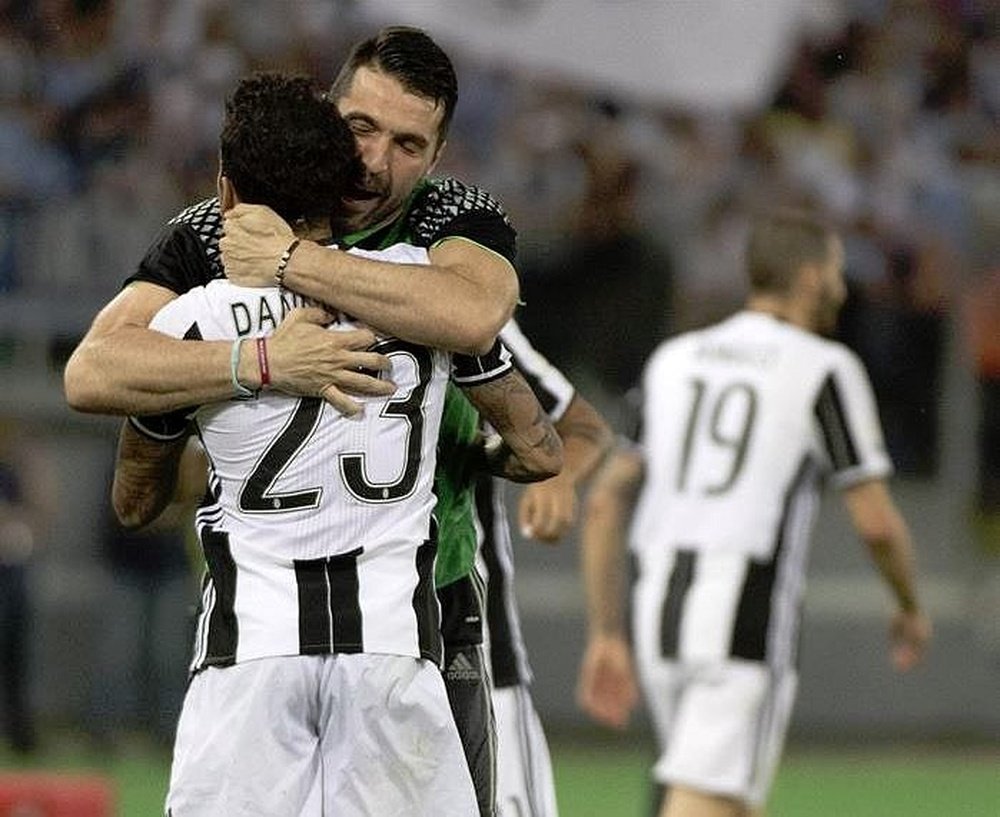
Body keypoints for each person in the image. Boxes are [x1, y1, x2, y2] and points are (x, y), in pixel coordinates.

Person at [63, 25, 557, 815]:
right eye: (360, 128)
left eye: (407, 143)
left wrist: (289, 266)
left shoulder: (450, 216)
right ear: (330, 114)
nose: (374, 161)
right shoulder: (205, 234)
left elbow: (470, 313)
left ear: (436, 158)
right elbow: (95, 364)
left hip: (425, 603)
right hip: (384, 636)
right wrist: (265, 360)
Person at [576, 208, 932, 817]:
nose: (843, 290)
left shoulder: (674, 359)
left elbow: (607, 498)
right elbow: (874, 520)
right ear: (814, 276)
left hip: (657, 611)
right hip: (742, 612)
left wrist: (607, 632)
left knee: (729, 798)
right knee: (703, 802)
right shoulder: (823, 367)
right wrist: (907, 604)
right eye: (838, 274)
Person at [479, 320, 614, 817]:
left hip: (473, 648)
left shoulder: (453, 298)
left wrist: (557, 477)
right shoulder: (259, 308)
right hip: (315, 650)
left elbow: (583, 426)